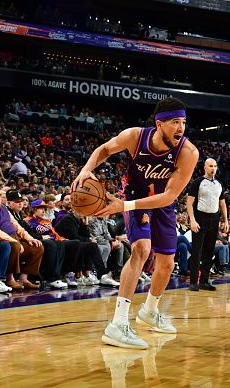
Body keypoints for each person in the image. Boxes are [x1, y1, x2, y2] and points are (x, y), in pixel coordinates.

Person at [72, 97, 199, 350]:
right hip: (134, 193)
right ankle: (118, 324)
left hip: (161, 202)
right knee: (141, 249)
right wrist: (86, 169)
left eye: (184, 122)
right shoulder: (135, 136)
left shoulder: (188, 152)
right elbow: (105, 150)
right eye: (175, 122)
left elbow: (170, 196)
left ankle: (150, 311)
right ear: (159, 124)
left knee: (167, 263)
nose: (181, 128)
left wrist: (123, 207)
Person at [186, 158, 228, 291]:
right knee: (197, 251)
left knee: (209, 252)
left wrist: (226, 220)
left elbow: (222, 203)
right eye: (210, 166)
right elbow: (189, 203)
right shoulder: (198, 182)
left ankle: (204, 281)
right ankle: (193, 282)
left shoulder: (219, 183)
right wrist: (192, 220)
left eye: (215, 166)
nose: (213, 168)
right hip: (199, 218)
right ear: (205, 167)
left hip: (214, 219)